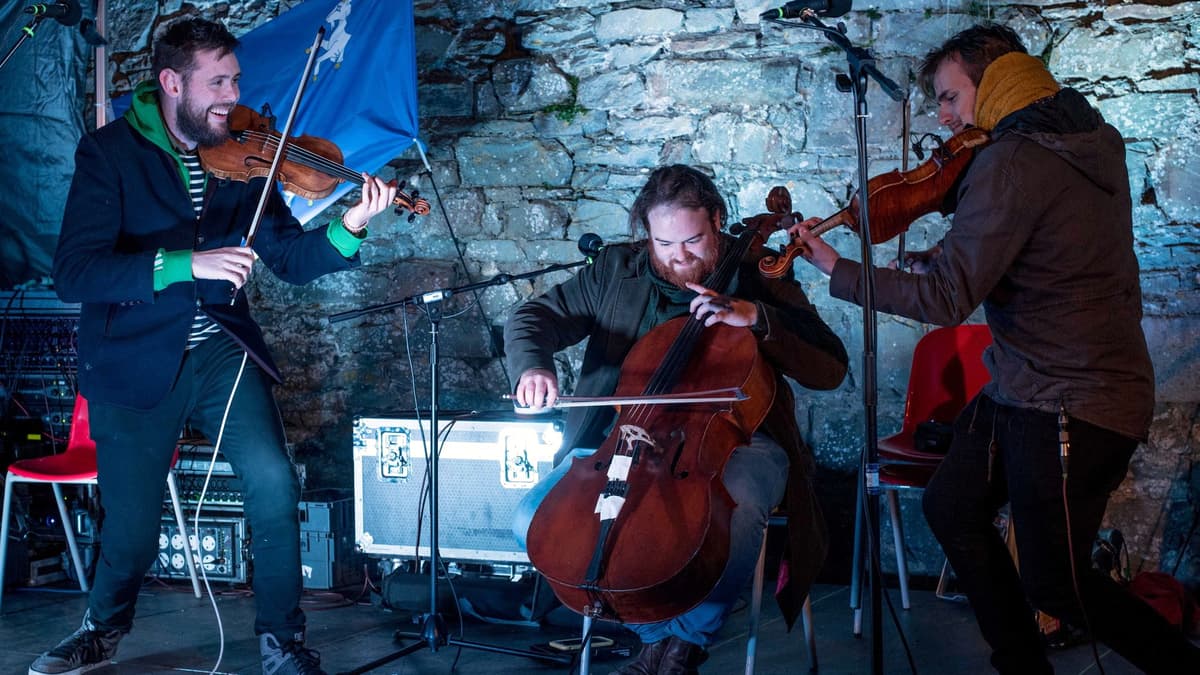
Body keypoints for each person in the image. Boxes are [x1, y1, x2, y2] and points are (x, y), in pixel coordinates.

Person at [791, 23, 1200, 674]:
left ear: (999, 82)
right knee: (951, 503)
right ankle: (1021, 665)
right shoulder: (1086, 138)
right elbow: (1042, 252)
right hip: (1033, 383)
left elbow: (947, 302)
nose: (944, 115)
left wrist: (837, 268)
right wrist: (943, 256)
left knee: (1057, 583)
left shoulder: (1012, 161)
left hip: (1068, 400)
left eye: (951, 96)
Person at [37, 17, 397, 675]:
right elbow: (76, 272)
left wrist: (350, 226)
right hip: (132, 355)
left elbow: (287, 255)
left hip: (218, 347)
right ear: (173, 82)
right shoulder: (110, 154)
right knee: (133, 528)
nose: (234, 96)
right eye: (219, 81)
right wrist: (186, 263)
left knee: (271, 482)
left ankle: (281, 642)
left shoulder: (246, 154)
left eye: (236, 78)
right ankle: (101, 627)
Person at [505, 164, 848, 674]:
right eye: (664, 244)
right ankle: (654, 636)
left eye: (692, 240)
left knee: (738, 513)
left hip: (735, 442)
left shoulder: (758, 272)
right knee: (529, 520)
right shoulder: (616, 270)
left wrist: (757, 317)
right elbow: (533, 317)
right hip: (617, 443)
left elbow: (830, 366)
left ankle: (684, 646)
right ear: (646, 233)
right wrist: (533, 367)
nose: (680, 256)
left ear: (716, 220)